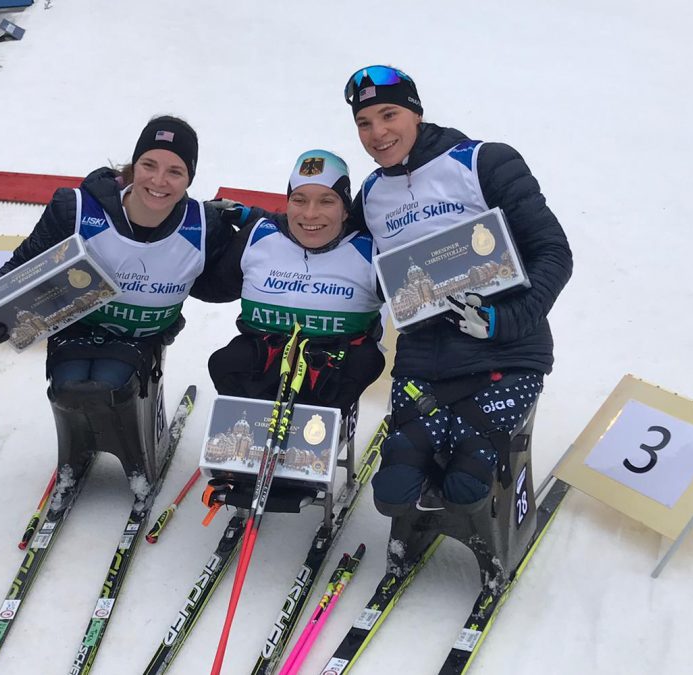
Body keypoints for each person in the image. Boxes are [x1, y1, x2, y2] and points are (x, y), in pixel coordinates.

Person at [342, 65, 573, 514]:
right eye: (364, 123)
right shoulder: (371, 195)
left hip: (505, 356)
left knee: (466, 487)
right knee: (392, 494)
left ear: (417, 113)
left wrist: (501, 322)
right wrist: (260, 222)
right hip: (425, 363)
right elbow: (331, 241)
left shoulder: (482, 162)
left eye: (389, 115)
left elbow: (554, 252)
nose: (378, 133)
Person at [0, 115, 237, 477]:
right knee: (68, 387)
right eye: (149, 165)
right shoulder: (76, 209)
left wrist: (251, 231)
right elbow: (23, 264)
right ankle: (75, 451)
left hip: (143, 337)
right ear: (133, 165)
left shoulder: (203, 224)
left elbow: (222, 284)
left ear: (189, 178)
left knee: (112, 384)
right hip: (77, 329)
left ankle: (137, 456)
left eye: (175, 171)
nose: (158, 181)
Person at [207, 149, 385, 421]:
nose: (310, 214)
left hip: (333, 370)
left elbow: (417, 301)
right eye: (299, 200)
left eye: (326, 201)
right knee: (227, 360)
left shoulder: (369, 250)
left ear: (345, 208)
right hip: (261, 362)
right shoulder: (259, 236)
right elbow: (210, 286)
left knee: (365, 361)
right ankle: (241, 439)